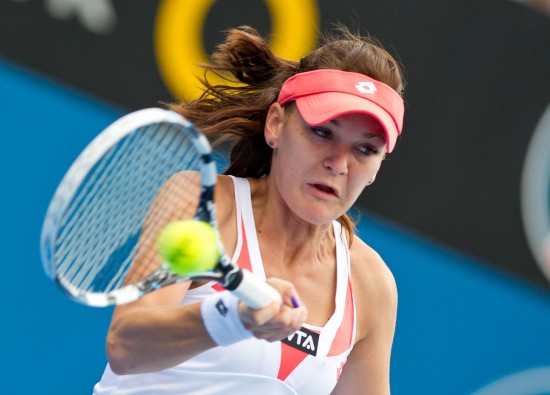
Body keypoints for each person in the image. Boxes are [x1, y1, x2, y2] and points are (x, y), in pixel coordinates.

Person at [93, 24, 405, 395]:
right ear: (276, 125)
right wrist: (232, 318)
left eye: (365, 150)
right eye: (323, 132)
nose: (339, 163)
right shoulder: (205, 204)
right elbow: (126, 348)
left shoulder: (371, 285)